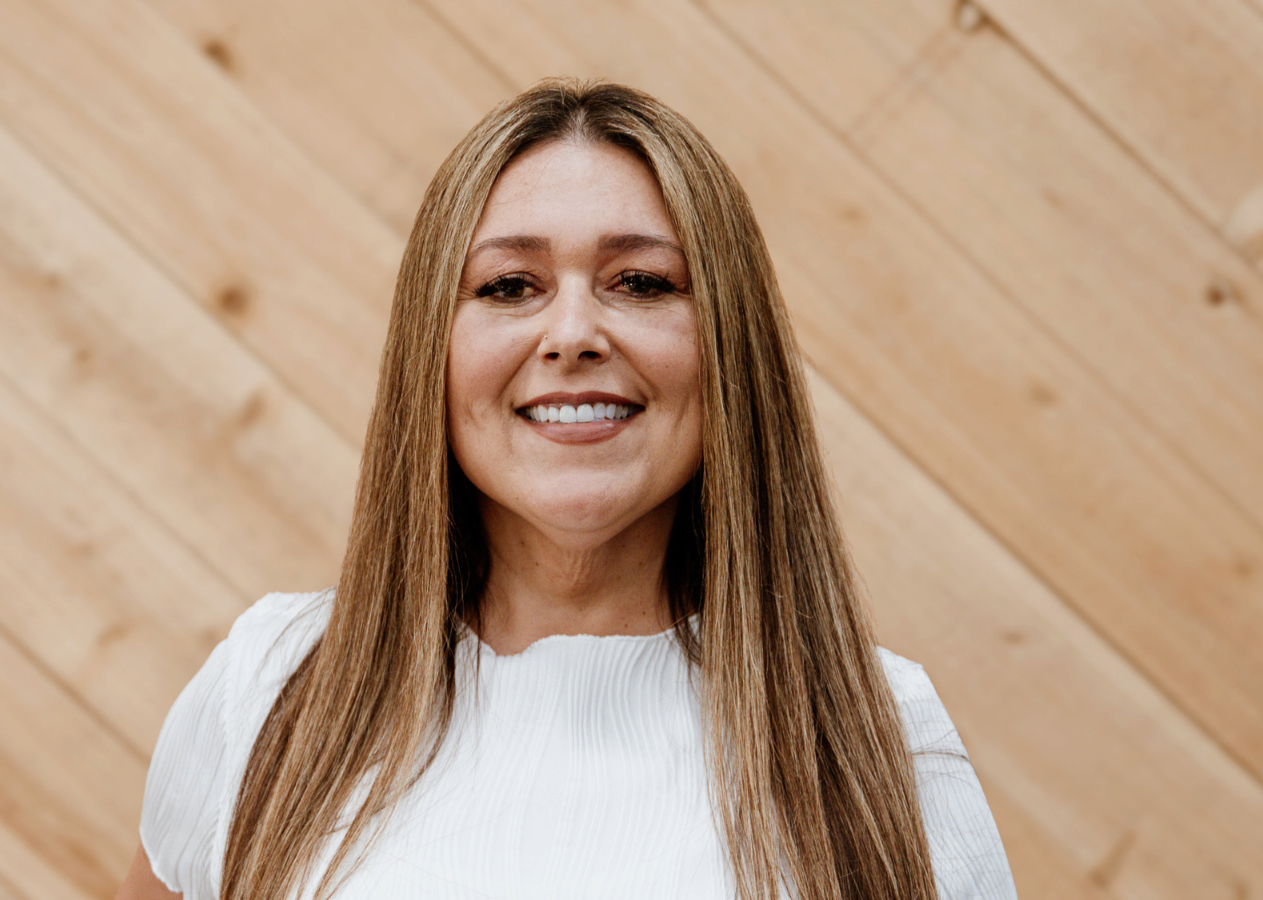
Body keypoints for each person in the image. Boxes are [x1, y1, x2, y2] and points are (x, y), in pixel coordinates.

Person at [116, 78, 1015, 900]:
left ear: (729, 348)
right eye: (510, 285)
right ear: (432, 347)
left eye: (641, 282)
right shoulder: (269, 686)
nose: (573, 332)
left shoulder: (881, 741)